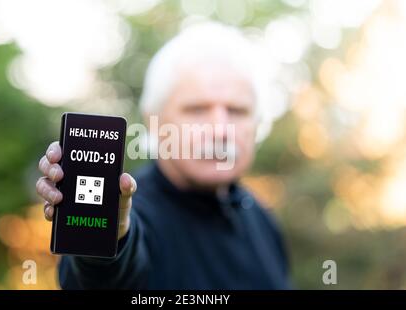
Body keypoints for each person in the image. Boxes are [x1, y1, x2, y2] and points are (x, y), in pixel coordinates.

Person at [36, 22, 291, 289]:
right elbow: (102, 276)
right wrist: (107, 239)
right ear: (153, 121)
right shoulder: (134, 212)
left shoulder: (261, 219)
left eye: (237, 111)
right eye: (197, 110)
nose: (220, 130)